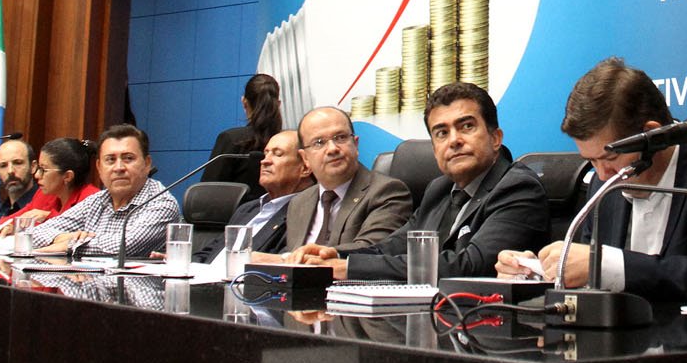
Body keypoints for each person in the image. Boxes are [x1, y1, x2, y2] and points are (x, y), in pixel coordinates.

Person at [496, 57, 687, 304]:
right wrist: (539, 272)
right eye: (592, 161)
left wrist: (605, 265)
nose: (602, 174)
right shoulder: (605, 185)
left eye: (610, 158)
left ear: (653, 134)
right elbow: (587, 282)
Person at [292, 82, 549, 280]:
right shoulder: (439, 189)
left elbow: (470, 265)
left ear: (495, 138)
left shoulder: (517, 188)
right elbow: (393, 246)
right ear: (434, 149)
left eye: (467, 126)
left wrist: (348, 268)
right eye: (441, 133)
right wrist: (337, 254)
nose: (454, 140)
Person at [257, 106, 411, 261]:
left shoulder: (387, 192)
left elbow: (373, 251)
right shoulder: (299, 202)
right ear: (305, 158)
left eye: (341, 138)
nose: (332, 149)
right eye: (319, 142)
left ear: (355, 144)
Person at [26, 124, 180, 258]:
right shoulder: (97, 201)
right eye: (110, 160)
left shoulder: (161, 203)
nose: (119, 168)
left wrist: (69, 245)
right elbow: (33, 235)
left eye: (128, 158)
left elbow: (124, 246)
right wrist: (61, 238)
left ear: (147, 164)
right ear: (99, 167)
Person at [195, 129, 314, 264]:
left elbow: (288, 264)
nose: (265, 161)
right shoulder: (246, 209)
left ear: (305, 168)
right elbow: (210, 252)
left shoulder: (306, 215)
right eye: (266, 153)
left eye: (278, 154)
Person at [0, 138, 99, 235]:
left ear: (67, 176)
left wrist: (48, 216)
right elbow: (11, 220)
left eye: (43, 170)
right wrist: (9, 227)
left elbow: (77, 237)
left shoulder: (93, 200)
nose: (37, 175)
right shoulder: (43, 194)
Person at [201, 74, 283, 201]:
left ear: (244, 102)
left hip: (235, 213)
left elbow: (206, 193)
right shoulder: (290, 143)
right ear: (278, 104)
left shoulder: (231, 139)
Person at [0, 137, 36, 229]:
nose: (10, 171)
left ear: (33, 167)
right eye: (3, 166)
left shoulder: (47, 204)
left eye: (18, 163)